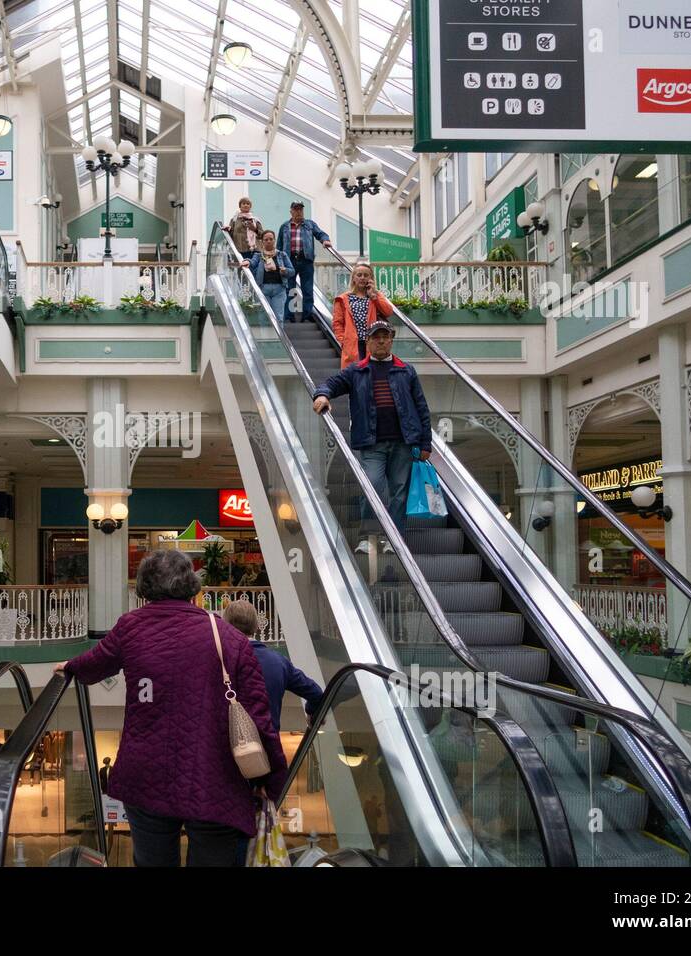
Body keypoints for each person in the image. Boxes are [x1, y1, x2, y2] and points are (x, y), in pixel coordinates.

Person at [56, 549, 286, 867]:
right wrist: (271, 782)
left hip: (147, 775)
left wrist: (68, 667)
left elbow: (93, 666)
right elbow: (260, 719)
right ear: (192, 586)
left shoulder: (130, 627)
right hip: (214, 780)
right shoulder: (230, 638)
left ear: (145, 587)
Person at [312, 319, 432, 548]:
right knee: (372, 486)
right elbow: (331, 383)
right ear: (368, 341)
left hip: (403, 442)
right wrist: (322, 395)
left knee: (399, 492)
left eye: (385, 337)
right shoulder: (357, 371)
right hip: (371, 442)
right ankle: (367, 535)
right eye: (376, 337)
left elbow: (421, 407)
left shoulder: (406, 371)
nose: (381, 341)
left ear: (391, 340)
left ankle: (394, 539)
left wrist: (426, 443)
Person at [222, 599, 323, 733]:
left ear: (225, 625)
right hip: (266, 744)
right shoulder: (279, 662)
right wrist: (311, 713)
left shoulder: (217, 659)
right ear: (256, 625)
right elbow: (316, 693)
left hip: (224, 743)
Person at [276, 201, 331, 323]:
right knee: (289, 289)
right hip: (289, 261)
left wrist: (325, 240)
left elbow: (320, 234)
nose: (298, 212)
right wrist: (279, 262)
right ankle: (288, 316)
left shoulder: (309, 224)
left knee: (307, 289)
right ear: (291, 211)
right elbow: (279, 246)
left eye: (300, 209)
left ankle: (307, 316)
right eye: (296, 209)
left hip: (306, 260)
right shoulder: (284, 226)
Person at [333, 261, 395, 368]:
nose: (362, 278)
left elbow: (388, 311)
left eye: (366, 275)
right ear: (353, 278)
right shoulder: (343, 299)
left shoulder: (374, 295)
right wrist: (344, 341)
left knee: (371, 374)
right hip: (352, 345)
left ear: (371, 279)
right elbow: (337, 323)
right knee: (352, 376)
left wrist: (374, 296)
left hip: (372, 343)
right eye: (359, 275)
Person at [240, 229, 295, 320]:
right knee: (264, 317)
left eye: (271, 239)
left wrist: (285, 271)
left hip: (279, 290)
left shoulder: (282, 255)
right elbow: (253, 262)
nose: (269, 241)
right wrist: (247, 261)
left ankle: (279, 334)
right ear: (262, 242)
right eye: (266, 240)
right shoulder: (258, 255)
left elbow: (292, 271)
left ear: (274, 240)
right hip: (263, 289)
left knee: (279, 317)